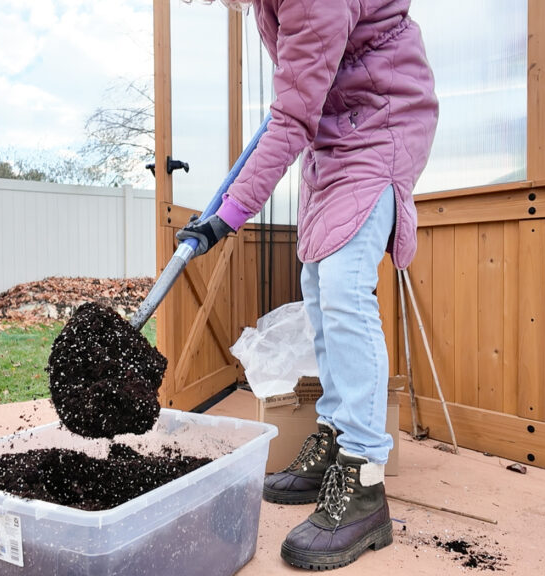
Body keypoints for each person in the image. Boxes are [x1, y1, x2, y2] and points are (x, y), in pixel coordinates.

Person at [177, 0, 438, 569]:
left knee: (345, 287)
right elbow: (300, 94)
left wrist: (229, 213)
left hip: (381, 122)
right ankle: (338, 434)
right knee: (318, 281)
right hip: (336, 128)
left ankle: (364, 478)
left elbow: (292, 117)